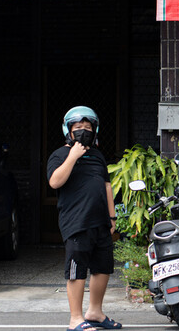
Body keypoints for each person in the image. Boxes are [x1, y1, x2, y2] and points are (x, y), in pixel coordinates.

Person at [47, 106, 121, 331]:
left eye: (88, 128)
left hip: (100, 221)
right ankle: (75, 319)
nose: (83, 131)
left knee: (103, 268)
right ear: (68, 131)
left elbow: (107, 186)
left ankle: (95, 312)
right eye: (78, 128)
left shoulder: (98, 156)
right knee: (76, 270)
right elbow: (55, 182)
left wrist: (112, 216)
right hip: (76, 222)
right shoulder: (59, 155)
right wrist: (73, 156)